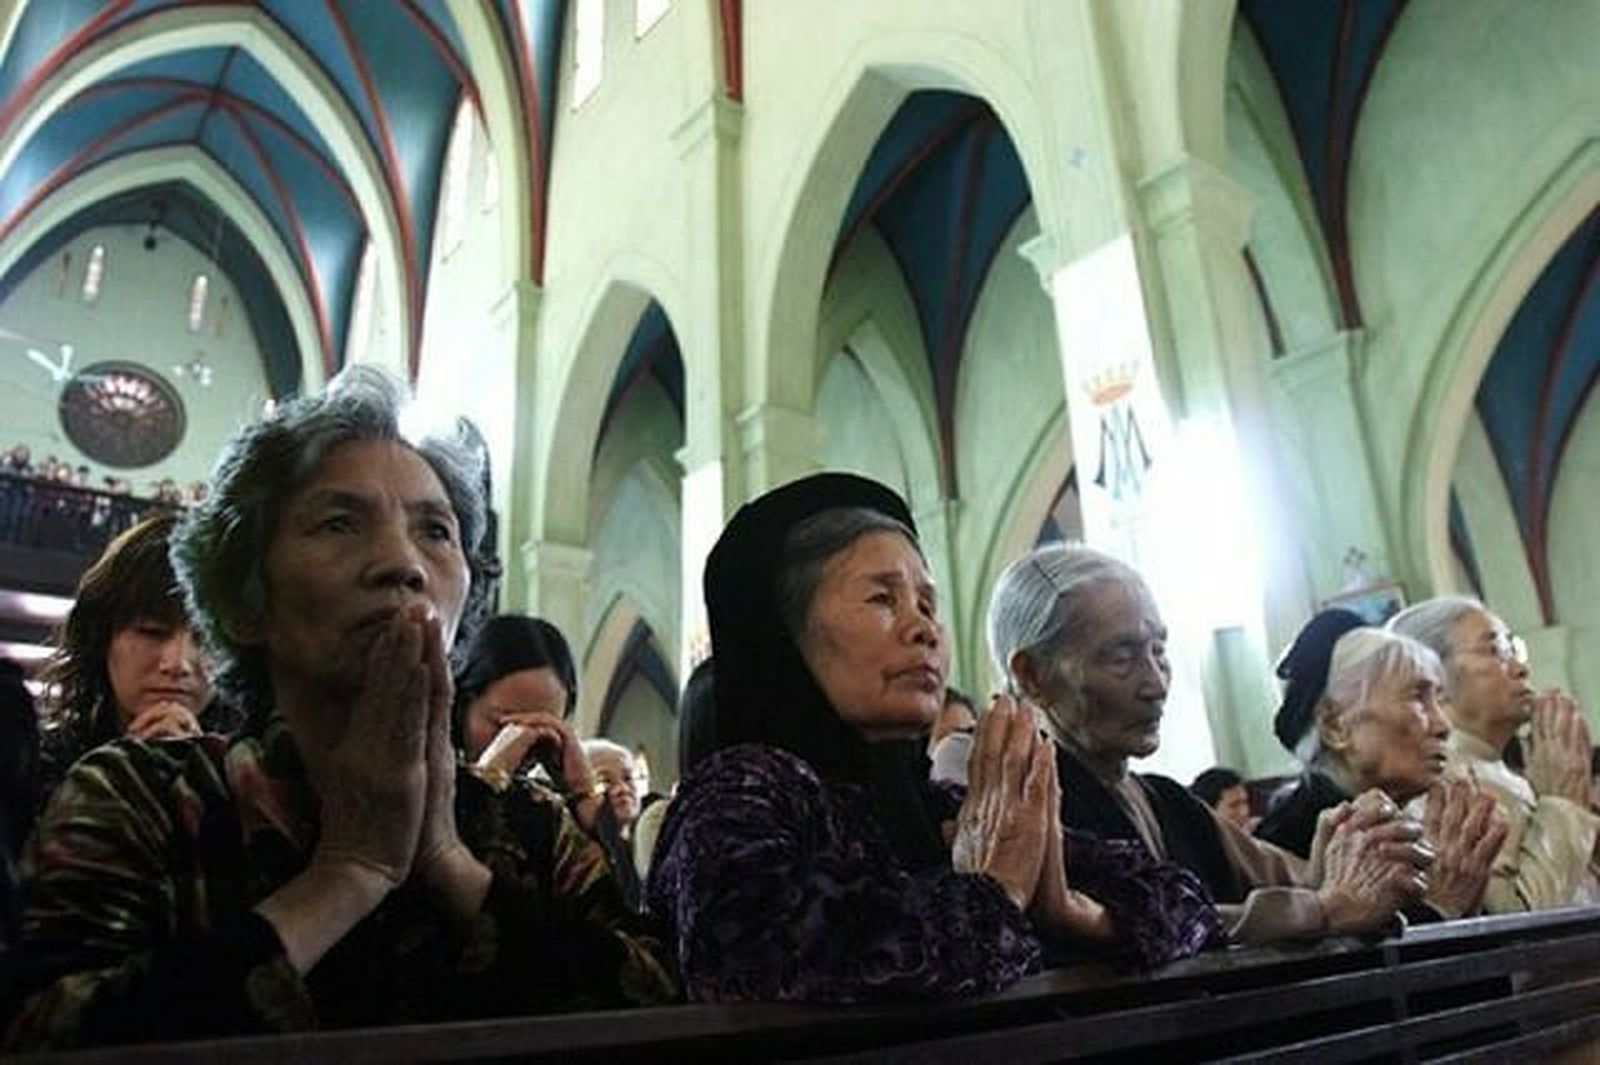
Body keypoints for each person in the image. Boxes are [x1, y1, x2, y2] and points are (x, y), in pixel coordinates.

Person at [5, 368, 675, 1050]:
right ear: (244, 599)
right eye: (339, 522)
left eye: (435, 530)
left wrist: (451, 863)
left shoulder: (528, 826)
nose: (401, 563)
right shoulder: (143, 798)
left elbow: (660, 1008)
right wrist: (346, 871)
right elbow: (43, 1034)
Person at [648, 473, 1222, 1003]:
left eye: (927, 603)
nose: (923, 628)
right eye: (882, 599)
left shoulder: (943, 805)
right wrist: (993, 894)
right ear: (783, 634)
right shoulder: (742, 794)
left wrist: (1074, 911)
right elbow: (760, 952)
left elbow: (1187, 903)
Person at [987, 544, 1431, 944]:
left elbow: (1297, 881)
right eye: (1122, 657)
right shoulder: (997, 794)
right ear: (1032, 676)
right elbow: (1128, 925)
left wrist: (1346, 848)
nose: (1155, 683)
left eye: (1159, 651)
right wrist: (1320, 910)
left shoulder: (1165, 801)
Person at [1256, 619, 1506, 919]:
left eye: (1438, 699)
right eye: (1417, 697)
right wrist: (1440, 908)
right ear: (1335, 726)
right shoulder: (1288, 845)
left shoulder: (1412, 829)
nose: (1443, 726)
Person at [1389, 596, 1600, 911]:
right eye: (1496, 651)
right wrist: (1564, 807)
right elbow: (1516, 931)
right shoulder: (1443, 788)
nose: (1521, 668)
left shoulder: (1508, 774)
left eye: (1514, 649)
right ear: (1433, 679)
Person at [452, 613, 645, 908]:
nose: (522, 742)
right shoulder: (418, 787)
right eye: (503, 725)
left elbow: (625, 925)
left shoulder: (548, 813)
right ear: (462, 705)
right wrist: (486, 781)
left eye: (543, 728)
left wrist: (585, 798)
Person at [34, 512, 226, 806]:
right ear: (102, 638)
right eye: (151, 632)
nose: (178, 664)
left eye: (207, 638)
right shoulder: (36, 768)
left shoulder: (258, 784)